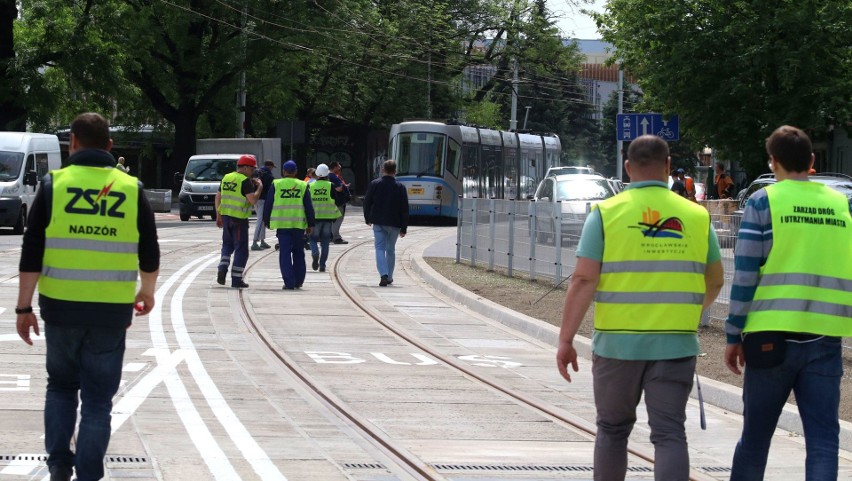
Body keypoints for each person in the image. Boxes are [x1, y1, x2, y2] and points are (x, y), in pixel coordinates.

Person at [556, 135, 724, 481]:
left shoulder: (605, 214)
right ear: (667, 166)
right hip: (675, 345)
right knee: (669, 435)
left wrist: (566, 339)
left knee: (613, 431)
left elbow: (583, 280)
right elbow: (715, 282)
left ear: (628, 168)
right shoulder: (696, 216)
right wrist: (688, 313)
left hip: (617, 346)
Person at [15, 112, 160, 481]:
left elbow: (32, 251)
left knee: (61, 387)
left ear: (73, 143)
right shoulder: (131, 188)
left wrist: (23, 307)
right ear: (110, 146)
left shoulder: (53, 185)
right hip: (111, 312)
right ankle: (90, 474)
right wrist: (146, 291)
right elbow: (150, 249)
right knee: (98, 400)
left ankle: (60, 466)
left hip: (60, 308)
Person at [724, 125, 852, 481]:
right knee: (824, 440)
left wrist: (733, 335)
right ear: (812, 161)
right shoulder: (840, 202)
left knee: (755, 439)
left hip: (770, 339)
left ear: (773, 161)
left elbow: (746, 272)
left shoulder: (764, 201)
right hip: (825, 337)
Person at [263, 160, 314, 290]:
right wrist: (311, 224)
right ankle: (299, 281)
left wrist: (266, 220)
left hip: (282, 225)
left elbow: (268, 204)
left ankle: (289, 283)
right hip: (298, 225)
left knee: (284, 253)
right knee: (298, 253)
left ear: (283, 172)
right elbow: (309, 206)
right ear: (296, 171)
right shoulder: (303, 185)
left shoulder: (276, 184)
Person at [215, 154, 263, 288]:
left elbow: (218, 197)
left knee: (227, 246)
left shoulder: (227, 177)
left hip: (226, 217)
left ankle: (222, 268)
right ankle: (236, 280)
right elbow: (252, 200)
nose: (253, 172)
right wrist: (259, 188)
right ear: (246, 167)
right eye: (252, 169)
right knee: (241, 250)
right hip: (239, 220)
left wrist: (218, 214)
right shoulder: (245, 181)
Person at [363, 159, 409, 286]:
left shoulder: (375, 184)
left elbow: (367, 202)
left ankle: (383, 274)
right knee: (390, 250)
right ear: (395, 171)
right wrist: (404, 228)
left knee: (379, 248)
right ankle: (389, 276)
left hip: (378, 222)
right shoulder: (400, 187)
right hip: (394, 223)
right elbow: (404, 208)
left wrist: (367, 218)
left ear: (383, 169)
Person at [308, 163, 341, 272]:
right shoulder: (330, 185)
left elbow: (307, 202)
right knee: (325, 242)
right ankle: (322, 265)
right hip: (328, 218)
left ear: (317, 174)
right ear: (327, 174)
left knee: (312, 238)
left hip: (314, 218)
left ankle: (315, 253)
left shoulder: (310, 186)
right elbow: (336, 200)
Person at [251, 160, 275, 251]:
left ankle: (262, 241)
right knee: (261, 220)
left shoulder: (256, 172)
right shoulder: (269, 176)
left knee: (261, 220)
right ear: (270, 166)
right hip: (263, 199)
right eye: (272, 167)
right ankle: (255, 242)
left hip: (255, 198)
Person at [328, 160, 351, 244]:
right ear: (334, 168)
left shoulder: (327, 176)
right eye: (338, 166)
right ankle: (336, 237)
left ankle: (331, 235)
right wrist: (343, 186)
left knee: (332, 220)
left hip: (331, 201)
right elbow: (338, 188)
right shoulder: (334, 177)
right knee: (338, 219)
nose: (340, 168)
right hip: (338, 201)